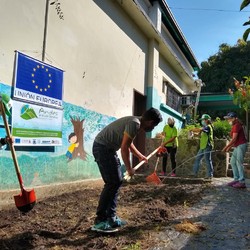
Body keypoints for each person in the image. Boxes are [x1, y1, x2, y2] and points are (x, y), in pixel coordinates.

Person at [91, 107, 163, 232]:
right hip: (102, 148)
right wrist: (129, 169)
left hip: (108, 149)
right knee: (112, 182)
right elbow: (124, 148)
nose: (153, 128)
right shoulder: (134, 124)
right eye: (154, 125)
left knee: (116, 181)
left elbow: (128, 143)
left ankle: (111, 217)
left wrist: (139, 155)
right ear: (150, 122)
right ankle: (100, 221)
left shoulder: (135, 123)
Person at [222, 112, 247, 188]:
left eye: (229, 118)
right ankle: (236, 179)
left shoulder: (237, 126)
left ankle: (242, 181)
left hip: (241, 145)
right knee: (232, 162)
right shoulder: (234, 126)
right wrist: (229, 147)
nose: (228, 120)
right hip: (237, 145)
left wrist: (226, 147)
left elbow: (234, 139)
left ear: (234, 118)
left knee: (239, 162)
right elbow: (235, 140)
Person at [190, 114, 214, 179]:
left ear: (206, 120)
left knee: (207, 160)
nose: (202, 121)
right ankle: (194, 173)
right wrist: (193, 134)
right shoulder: (204, 128)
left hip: (207, 145)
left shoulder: (208, 127)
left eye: (203, 120)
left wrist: (192, 129)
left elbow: (201, 130)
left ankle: (209, 175)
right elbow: (199, 134)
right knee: (198, 159)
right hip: (202, 146)